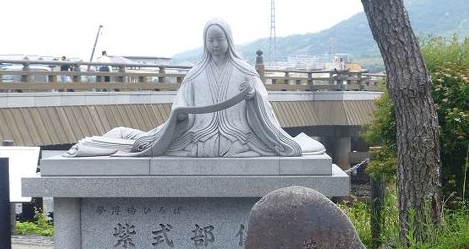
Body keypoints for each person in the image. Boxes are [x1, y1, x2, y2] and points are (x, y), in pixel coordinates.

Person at [65, 18, 324, 158]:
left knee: (136, 141)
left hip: (232, 140)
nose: (214, 45)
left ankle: (94, 145)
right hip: (195, 135)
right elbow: (181, 108)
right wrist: (180, 115)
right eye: (210, 40)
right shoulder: (195, 73)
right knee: (138, 138)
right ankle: (98, 143)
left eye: (219, 39)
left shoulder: (245, 71)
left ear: (228, 40)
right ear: (205, 42)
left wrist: (253, 96)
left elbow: (265, 113)